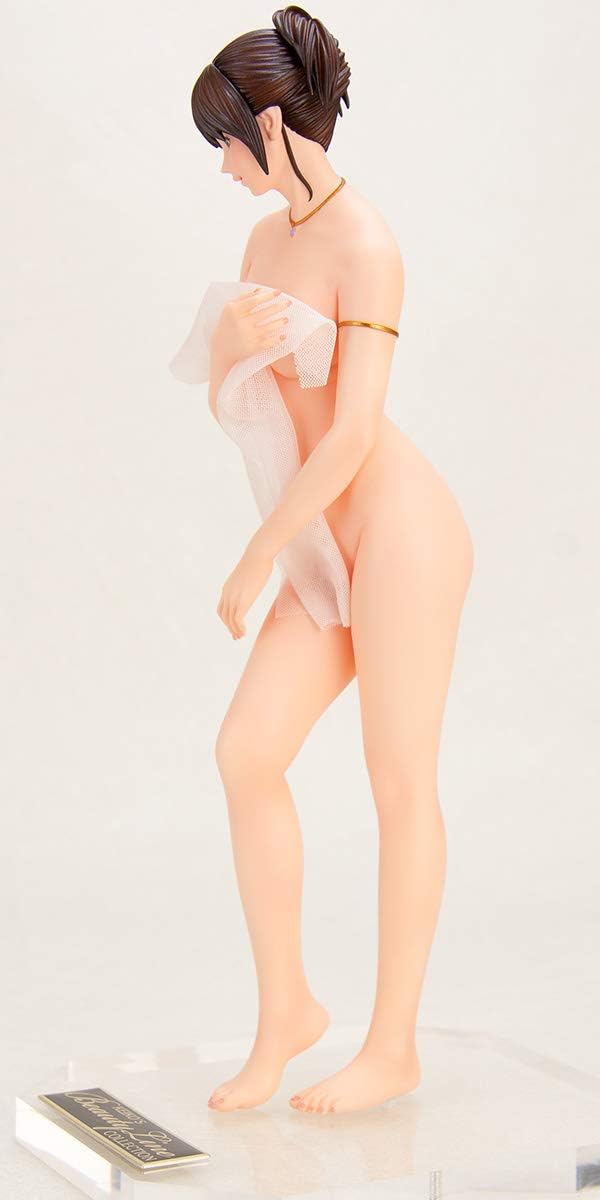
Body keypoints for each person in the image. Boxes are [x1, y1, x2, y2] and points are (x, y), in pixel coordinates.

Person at [174, 4, 474, 1114]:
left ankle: (392, 1047)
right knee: (246, 752)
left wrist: (257, 552)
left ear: (269, 125)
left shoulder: (368, 247)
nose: (224, 169)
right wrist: (224, 352)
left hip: (398, 532)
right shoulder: (264, 244)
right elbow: (250, 405)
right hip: (320, 540)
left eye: (227, 142)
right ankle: (288, 1012)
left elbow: (351, 434)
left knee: (399, 779)